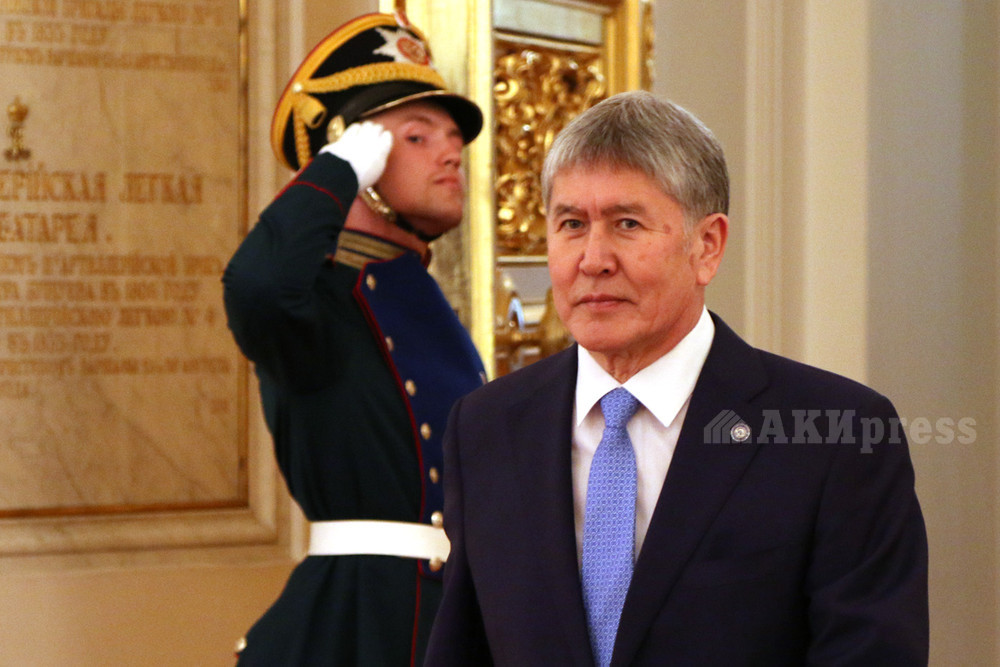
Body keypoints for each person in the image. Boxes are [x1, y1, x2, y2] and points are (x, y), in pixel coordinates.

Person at [424, 90, 928, 666]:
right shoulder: (486, 426)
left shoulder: (838, 435)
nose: (593, 259)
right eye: (571, 224)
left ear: (707, 247)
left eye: (627, 224)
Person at [222, 12, 486, 666]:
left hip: (447, 612)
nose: (451, 152)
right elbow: (256, 286)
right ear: (357, 154)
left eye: (454, 138)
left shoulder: (418, 293)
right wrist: (335, 174)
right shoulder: (317, 306)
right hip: (358, 622)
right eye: (417, 136)